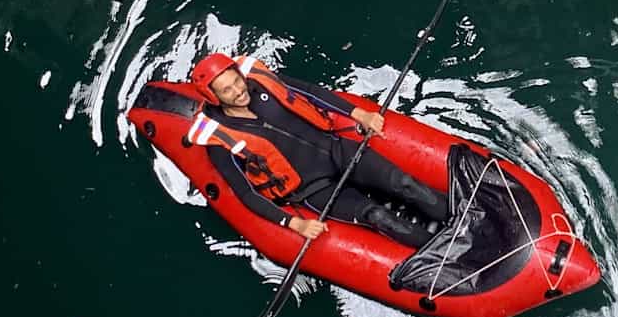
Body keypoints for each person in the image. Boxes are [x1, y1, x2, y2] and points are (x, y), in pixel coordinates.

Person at [184, 52, 450, 248]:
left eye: (237, 81)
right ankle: (444, 249)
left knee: (404, 183)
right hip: (312, 190)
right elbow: (245, 192)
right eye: (227, 90)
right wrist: (293, 223)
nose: (238, 91)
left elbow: (310, 92)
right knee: (378, 216)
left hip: (335, 150)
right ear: (214, 97)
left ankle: (459, 215)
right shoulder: (219, 141)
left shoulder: (261, 82)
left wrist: (358, 114)